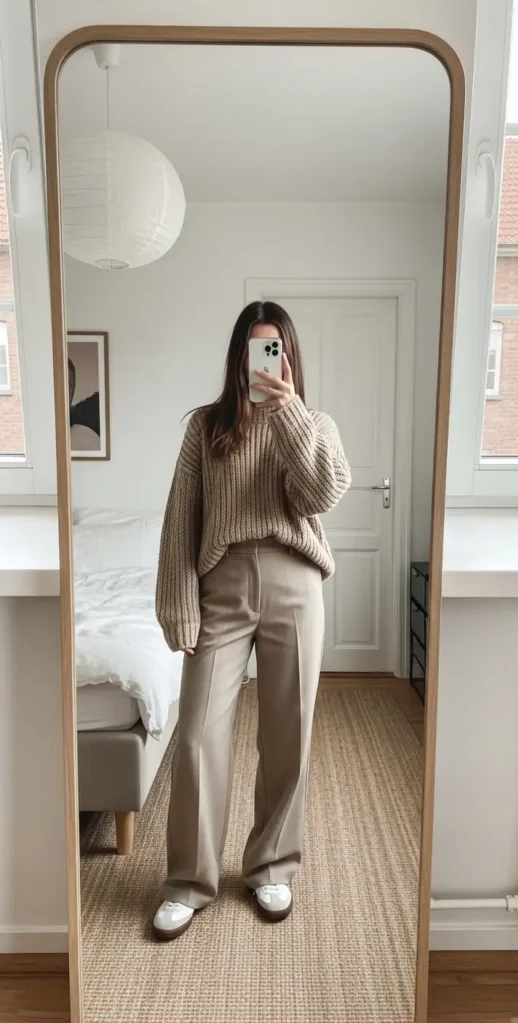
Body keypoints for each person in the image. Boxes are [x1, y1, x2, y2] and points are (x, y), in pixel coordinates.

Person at [153, 300, 351, 941]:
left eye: (276, 349)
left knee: (288, 732)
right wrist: (177, 599)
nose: (265, 360)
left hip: (296, 583)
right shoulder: (204, 428)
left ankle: (271, 865)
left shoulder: (315, 424)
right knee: (197, 734)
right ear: (238, 354)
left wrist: (286, 410)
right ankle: (189, 880)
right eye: (255, 349)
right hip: (224, 583)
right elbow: (181, 517)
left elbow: (321, 492)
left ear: (289, 357)